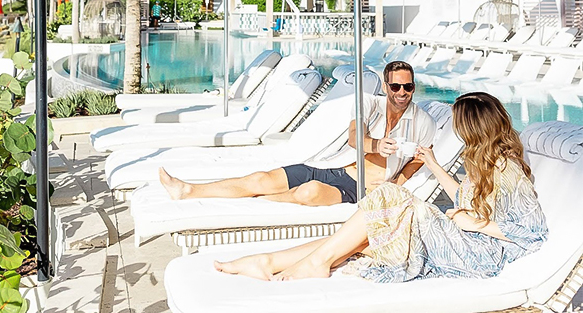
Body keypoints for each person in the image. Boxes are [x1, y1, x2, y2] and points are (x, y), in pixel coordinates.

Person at [214, 91, 548, 282]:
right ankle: (268, 262)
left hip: (481, 255)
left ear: (473, 127)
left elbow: (531, 232)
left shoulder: (509, 170)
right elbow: (465, 197)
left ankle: (301, 264)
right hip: (464, 237)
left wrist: (473, 223)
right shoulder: (484, 159)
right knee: (366, 236)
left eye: (460, 124)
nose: (457, 131)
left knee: (389, 197)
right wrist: (433, 165)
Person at [159, 61, 436, 206]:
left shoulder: (422, 121)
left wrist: (396, 182)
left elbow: (422, 158)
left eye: (408, 87)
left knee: (309, 193)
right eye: (396, 87)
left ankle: (254, 203)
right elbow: (355, 137)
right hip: (331, 166)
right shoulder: (368, 102)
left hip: (360, 188)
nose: (402, 93)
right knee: (261, 177)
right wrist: (375, 144)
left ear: (413, 87)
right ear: (386, 86)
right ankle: (188, 190)